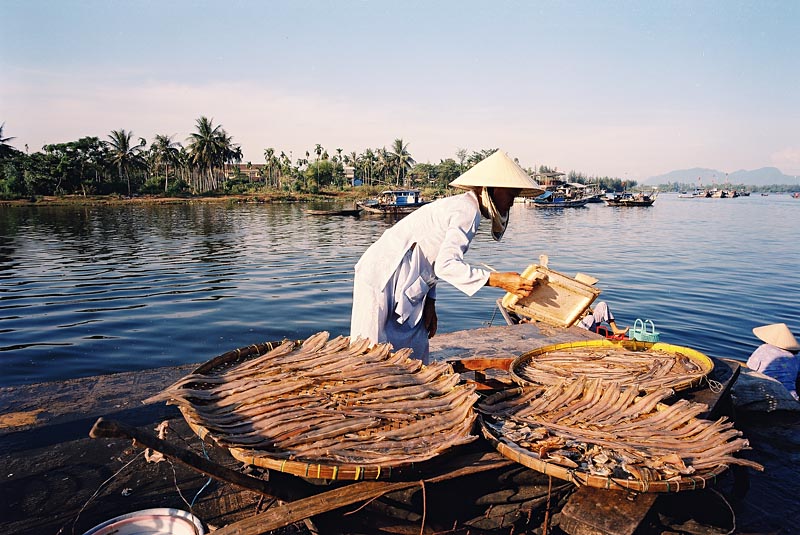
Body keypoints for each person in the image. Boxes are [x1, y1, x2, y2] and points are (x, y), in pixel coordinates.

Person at [350, 150, 543, 364]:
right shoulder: (467, 211)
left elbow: (435, 260)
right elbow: (447, 265)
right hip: (382, 273)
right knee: (370, 349)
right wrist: (499, 280)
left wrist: (430, 303)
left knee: (414, 345)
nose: (511, 203)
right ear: (493, 188)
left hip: (409, 276)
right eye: (510, 195)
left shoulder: (465, 207)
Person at [746, 323, 800, 401]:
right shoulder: (794, 358)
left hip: (765, 388)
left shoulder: (764, 348)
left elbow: (750, 366)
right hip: (790, 394)